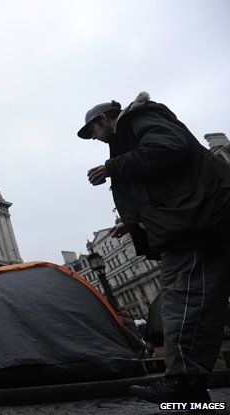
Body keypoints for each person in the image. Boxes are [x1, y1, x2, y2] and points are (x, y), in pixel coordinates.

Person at [78, 91, 230, 404]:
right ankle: (191, 386)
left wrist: (112, 167)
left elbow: (168, 149)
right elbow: (164, 185)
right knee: (204, 306)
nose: (93, 138)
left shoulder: (139, 119)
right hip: (197, 220)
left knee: (182, 301)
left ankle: (182, 382)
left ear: (104, 119)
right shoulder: (133, 133)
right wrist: (133, 223)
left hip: (194, 225)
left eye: (92, 130)